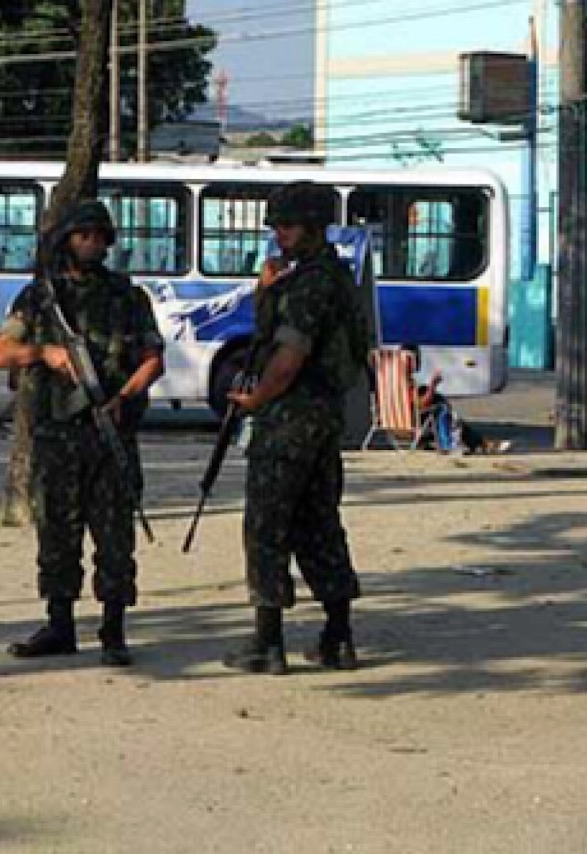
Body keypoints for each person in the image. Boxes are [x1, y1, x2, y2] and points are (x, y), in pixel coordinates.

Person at [0, 200, 165, 667]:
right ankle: (60, 625)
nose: (91, 243)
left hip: (110, 433)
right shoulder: (39, 299)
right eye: (82, 234)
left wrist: (124, 398)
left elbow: (153, 358)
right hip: (57, 435)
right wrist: (44, 353)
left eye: (99, 236)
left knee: (114, 536)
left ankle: (113, 630)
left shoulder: (128, 297)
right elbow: (1, 353)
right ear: (66, 239)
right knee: (56, 533)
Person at [221, 182, 365, 676]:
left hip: (288, 421)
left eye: (286, 226)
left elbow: (288, 356)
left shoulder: (307, 285)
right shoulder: (340, 278)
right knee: (321, 524)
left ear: (311, 226)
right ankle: (337, 637)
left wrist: (256, 400)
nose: (279, 236)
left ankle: (267, 642)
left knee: (266, 527)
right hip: (324, 422)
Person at [402, 344, 511, 455]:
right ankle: (449, 444)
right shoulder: (404, 383)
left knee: (440, 402)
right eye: (417, 358)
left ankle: (480, 443)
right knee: (442, 408)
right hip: (411, 424)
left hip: (398, 425)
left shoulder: (393, 381)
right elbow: (422, 405)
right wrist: (433, 385)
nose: (419, 361)